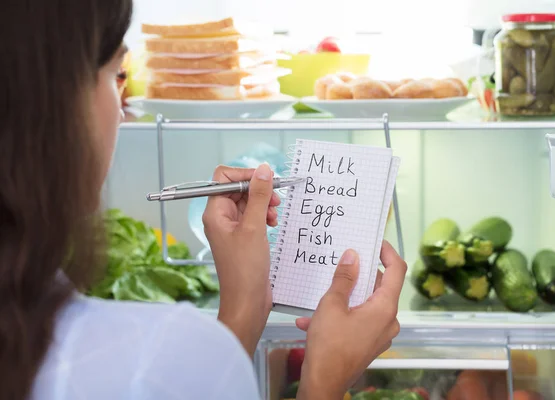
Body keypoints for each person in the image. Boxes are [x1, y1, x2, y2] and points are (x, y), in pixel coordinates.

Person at [0, 1, 407, 399]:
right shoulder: (151, 354)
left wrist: (246, 306)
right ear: (52, 104)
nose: (122, 111)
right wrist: (324, 381)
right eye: (116, 73)